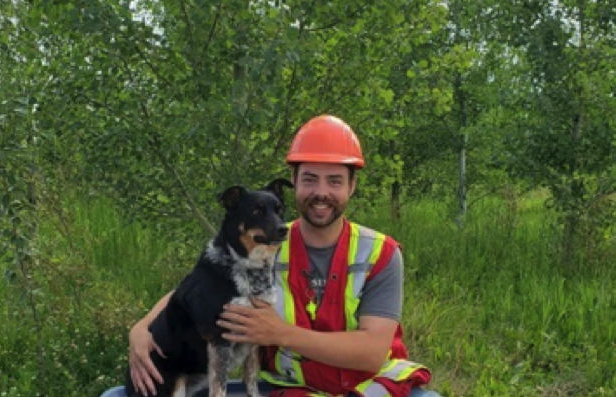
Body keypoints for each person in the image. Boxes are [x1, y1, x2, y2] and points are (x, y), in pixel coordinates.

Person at [114, 115, 440, 397]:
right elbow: (199, 287)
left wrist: (278, 333)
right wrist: (140, 330)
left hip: (371, 386)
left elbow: (371, 354)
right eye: (309, 179)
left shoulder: (379, 254)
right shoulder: (263, 244)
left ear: (352, 186)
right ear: (294, 184)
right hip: (291, 388)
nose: (321, 193)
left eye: (335, 181)